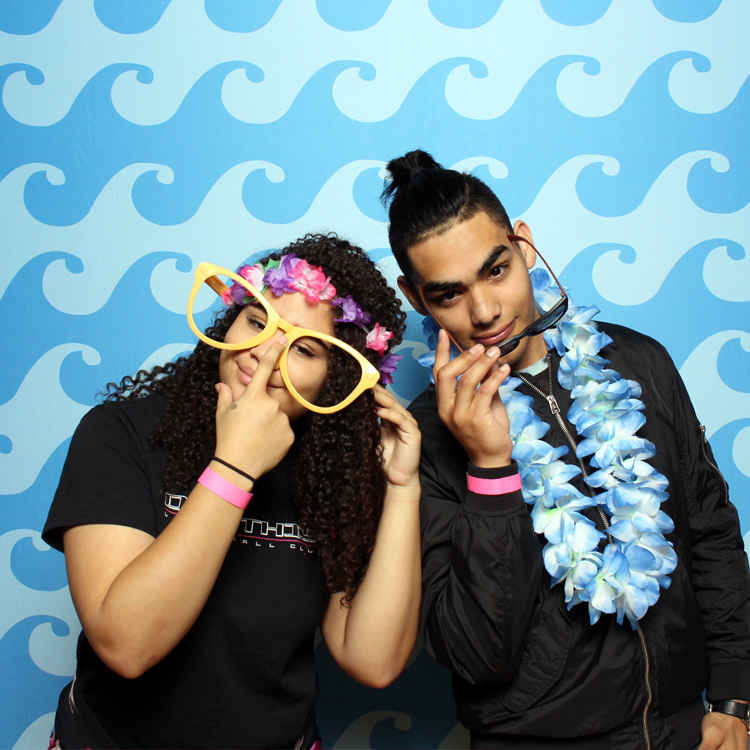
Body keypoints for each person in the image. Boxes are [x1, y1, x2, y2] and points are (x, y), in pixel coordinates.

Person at [381, 150, 750, 750]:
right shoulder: (420, 443)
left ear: (523, 244)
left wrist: (736, 696)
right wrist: (489, 468)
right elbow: (477, 655)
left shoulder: (638, 363)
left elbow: (710, 528)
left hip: (688, 726)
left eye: (495, 270)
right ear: (416, 296)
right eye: (448, 294)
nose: (484, 311)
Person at [42, 233, 422, 749]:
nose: (262, 353)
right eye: (258, 320)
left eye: (304, 348)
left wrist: (401, 489)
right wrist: (235, 465)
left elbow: (371, 661)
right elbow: (126, 646)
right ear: (231, 318)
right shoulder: (121, 433)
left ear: (336, 381)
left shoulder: (339, 480)